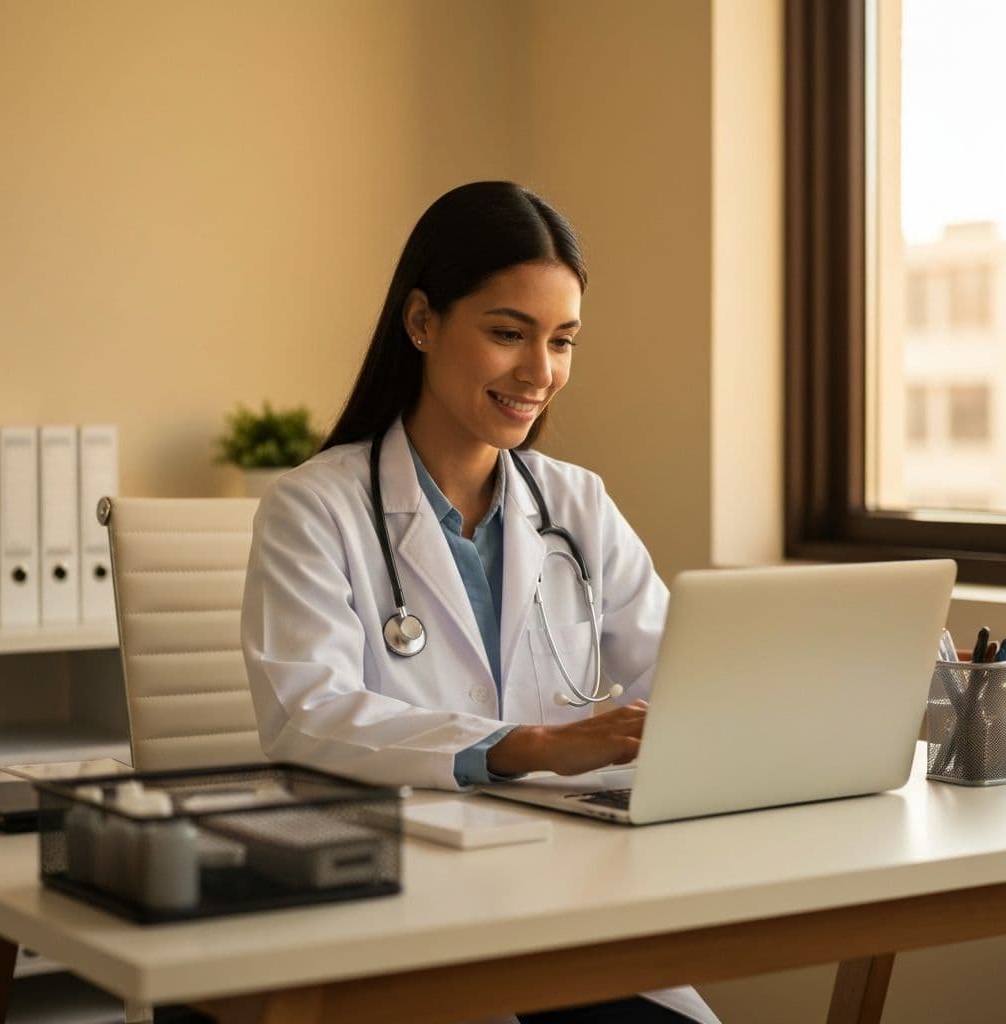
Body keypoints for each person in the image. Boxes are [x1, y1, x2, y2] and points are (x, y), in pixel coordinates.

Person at [241, 182, 720, 1024]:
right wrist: (524, 746)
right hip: (395, 908)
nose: (540, 373)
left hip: (561, 898)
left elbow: (682, 671)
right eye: (509, 334)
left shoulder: (577, 505)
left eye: (562, 341)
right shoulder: (314, 507)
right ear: (422, 322)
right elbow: (306, 713)